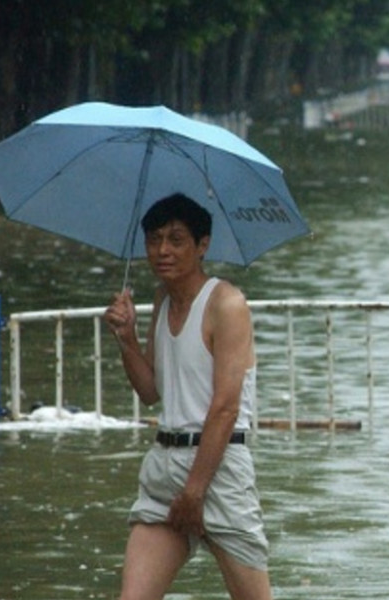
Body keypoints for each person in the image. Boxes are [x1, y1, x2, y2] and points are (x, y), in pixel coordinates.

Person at [103, 193, 271, 600]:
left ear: (202, 245)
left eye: (177, 239)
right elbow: (150, 391)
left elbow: (226, 407)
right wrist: (126, 340)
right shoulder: (161, 300)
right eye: (154, 239)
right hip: (164, 466)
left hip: (218, 469)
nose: (163, 250)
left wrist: (196, 491)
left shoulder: (226, 304)